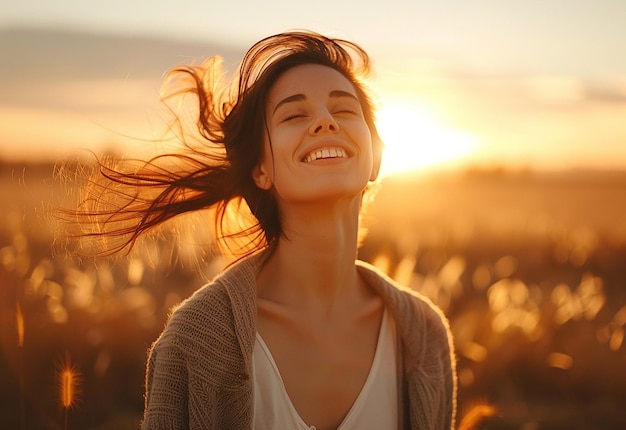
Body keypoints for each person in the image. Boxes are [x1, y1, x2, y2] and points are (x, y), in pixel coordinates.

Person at [68, 30, 457, 429]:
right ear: (261, 169)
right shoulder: (198, 340)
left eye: (343, 110)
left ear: (376, 158)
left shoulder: (423, 335)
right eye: (294, 115)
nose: (325, 122)